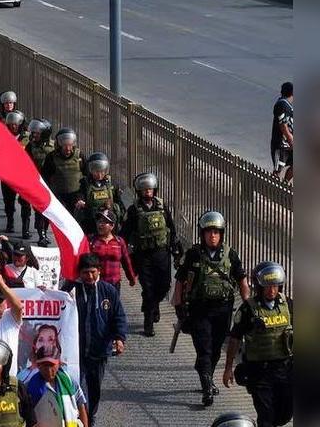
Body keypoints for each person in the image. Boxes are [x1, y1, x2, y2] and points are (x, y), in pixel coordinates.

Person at [172, 210, 249, 407]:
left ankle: (207, 374)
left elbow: (242, 280)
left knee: (215, 349)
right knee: (204, 348)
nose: (212, 235)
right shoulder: (194, 254)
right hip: (200, 310)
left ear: (221, 234)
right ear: (202, 233)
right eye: (208, 232)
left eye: (216, 232)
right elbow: (180, 280)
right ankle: (207, 387)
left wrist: (248, 306)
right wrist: (179, 305)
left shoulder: (230, 254)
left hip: (223, 310)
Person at [222, 261, 292, 427]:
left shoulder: (289, 306)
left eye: (276, 286)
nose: (272, 290)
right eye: (267, 286)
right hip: (259, 372)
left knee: (286, 411)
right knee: (266, 412)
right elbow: (234, 338)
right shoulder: (248, 310)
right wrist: (227, 368)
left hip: (286, 369)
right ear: (259, 286)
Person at [61, 253, 126, 426]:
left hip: (99, 351)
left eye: (92, 272)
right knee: (76, 387)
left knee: (94, 389)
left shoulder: (108, 291)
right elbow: (56, 307)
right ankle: (77, 424)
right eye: (85, 273)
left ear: (99, 271)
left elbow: (118, 316)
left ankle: (90, 420)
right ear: (79, 273)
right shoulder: (70, 290)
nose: (89, 276)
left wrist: (119, 338)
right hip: (76, 351)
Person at [122, 172, 180, 337]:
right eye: (144, 190)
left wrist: (175, 246)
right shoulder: (134, 210)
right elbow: (125, 232)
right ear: (139, 191)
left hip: (161, 253)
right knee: (148, 289)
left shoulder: (162, 208)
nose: (147, 192)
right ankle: (148, 323)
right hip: (143, 255)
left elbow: (171, 227)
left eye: (150, 189)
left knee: (164, 285)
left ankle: (153, 304)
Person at [87, 210, 136, 291]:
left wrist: (131, 278)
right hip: (96, 284)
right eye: (99, 222)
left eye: (104, 222)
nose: (100, 225)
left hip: (114, 284)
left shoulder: (119, 241)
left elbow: (126, 262)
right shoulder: (92, 241)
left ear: (112, 226)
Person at [24, 119, 55, 245]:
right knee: (38, 210)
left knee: (48, 210)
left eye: (37, 133)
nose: (34, 135)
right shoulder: (30, 146)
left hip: (50, 183)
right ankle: (40, 233)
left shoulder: (53, 147)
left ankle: (45, 231)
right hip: (36, 182)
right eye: (34, 133)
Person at [75, 152, 124, 230]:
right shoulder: (85, 183)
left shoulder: (111, 183)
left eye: (102, 171)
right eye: (96, 172)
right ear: (91, 170)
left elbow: (118, 201)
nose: (99, 175)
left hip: (108, 219)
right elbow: (80, 195)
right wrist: (80, 201)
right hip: (91, 219)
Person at [41, 128, 84, 215]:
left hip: (76, 196)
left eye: (70, 145)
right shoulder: (51, 157)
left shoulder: (79, 156)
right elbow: (45, 177)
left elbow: (87, 175)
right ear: (59, 145)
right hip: (59, 196)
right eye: (64, 145)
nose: (68, 148)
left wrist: (82, 197)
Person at [0, 108, 28, 233]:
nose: (14, 127)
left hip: (23, 175)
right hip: (7, 173)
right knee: (8, 201)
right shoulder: (3, 136)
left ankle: (25, 228)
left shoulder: (27, 138)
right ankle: (10, 221)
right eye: (11, 124)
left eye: (16, 124)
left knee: (25, 202)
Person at [270, 82, 293, 184]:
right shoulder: (282, 104)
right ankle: (272, 190)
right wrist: (291, 140)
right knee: (278, 169)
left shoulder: (288, 106)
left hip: (288, 144)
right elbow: (283, 125)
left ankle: (284, 184)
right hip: (281, 145)